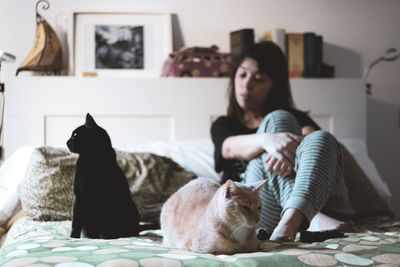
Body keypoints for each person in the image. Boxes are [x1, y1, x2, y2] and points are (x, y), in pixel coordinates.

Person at [211, 41, 355, 242]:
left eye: (259, 79)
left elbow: (315, 147)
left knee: (319, 136)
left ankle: (291, 220)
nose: (247, 84)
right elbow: (228, 148)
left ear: (274, 85)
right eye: (242, 75)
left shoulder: (298, 119)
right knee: (277, 122)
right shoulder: (224, 125)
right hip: (255, 211)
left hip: (317, 200)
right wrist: (267, 141)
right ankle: (303, 220)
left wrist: (284, 150)